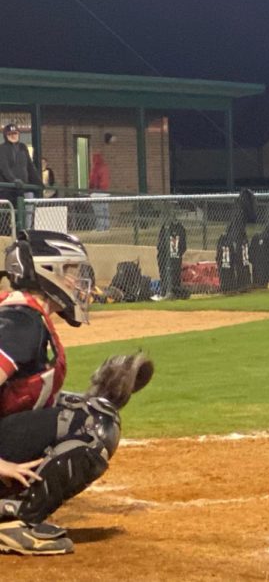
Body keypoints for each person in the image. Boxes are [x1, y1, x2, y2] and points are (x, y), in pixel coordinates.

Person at [0, 231, 154, 555]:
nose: (78, 282)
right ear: (48, 271)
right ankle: (15, 520)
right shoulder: (20, 324)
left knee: (83, 407)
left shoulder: (22, 316)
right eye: (71, 271)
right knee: (94, 424)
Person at [0, 124, 42, 231]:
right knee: (8, 215)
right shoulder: (2, 149)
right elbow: (4, 168)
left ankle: (24, 233)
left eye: (15, 133)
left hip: (23, 188)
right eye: (10, 134)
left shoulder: (23, 148)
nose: (13, 136)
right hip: (8, 190)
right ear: (6, 135)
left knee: (25, 212)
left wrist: (38, 182)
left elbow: (30, 166)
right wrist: (13, 180)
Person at [88, 152, 110, 231]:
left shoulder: (95, 169)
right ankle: (106, 227)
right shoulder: (105, 168)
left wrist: (89, 190)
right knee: (105, 210)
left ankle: (100, 228)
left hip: (97, 193)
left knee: (99, 211)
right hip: (106, 193)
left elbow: (92, 181)